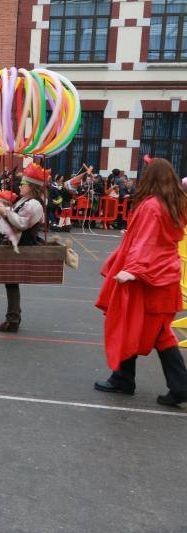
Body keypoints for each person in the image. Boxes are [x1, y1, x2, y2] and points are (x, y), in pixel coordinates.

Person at [94, 158, 187, 406]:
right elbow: (155, 238)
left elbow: (146, 242)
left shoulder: (152, 206)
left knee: (132, 324)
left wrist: (133, 270)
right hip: (165, 276)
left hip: (149, 279)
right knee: (159, 333)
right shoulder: (175, 203)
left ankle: (126, 379)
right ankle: (168, 384)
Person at [0, 163, 47, 333]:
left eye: (23, 184)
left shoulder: (34, 204)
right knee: (10, 282)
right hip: (15, 244)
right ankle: (13, 317)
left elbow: (22, 224)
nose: (20, 186)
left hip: (21, 246)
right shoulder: (25, 201)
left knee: (11, 281)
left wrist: (5, 212)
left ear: (32, 187)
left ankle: (13, 319)